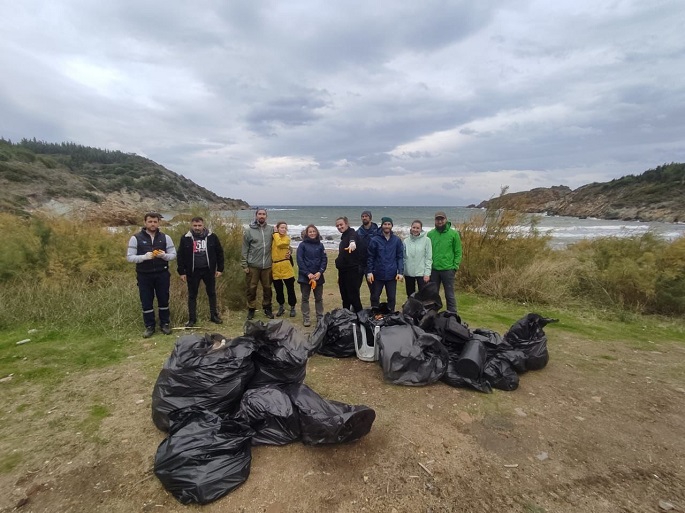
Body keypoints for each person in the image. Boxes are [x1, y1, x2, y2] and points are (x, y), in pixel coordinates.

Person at [126, 212, 177, 338]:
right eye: (150, 221)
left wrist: (164, 255)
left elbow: (173, 254)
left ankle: (165, 324)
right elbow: (129, 257)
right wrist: (144, 257)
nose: (152, 224)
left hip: (162, 274)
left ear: (158, 223)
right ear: (145, 223)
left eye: (155, 222)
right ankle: (149, 326)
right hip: (144, 275)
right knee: (146, 301)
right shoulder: (136, 238)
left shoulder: (165, 237)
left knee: (163, 299)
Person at [176, 217, 224, 327]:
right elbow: (180, 256)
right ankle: (192, 319)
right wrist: (181, 272)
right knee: (192, 295)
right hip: (193, 271)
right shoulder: (186, 238)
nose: (197, 228)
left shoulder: (212, 237)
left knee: (211, 293)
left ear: (203, 225)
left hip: (208, 270)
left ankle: (214, 316)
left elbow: (219, 252)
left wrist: (220, 269)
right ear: (191, 226)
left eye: (199, 225)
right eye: (195, 226)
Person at [427, 211, 463, 314]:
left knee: (449, 294)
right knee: (433, 294)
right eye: (437, 219)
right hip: (434, 269)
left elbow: (458, 251)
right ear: (435, 221)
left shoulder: (453, 234)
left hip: (448, 269)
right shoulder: (430, 234)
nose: (440, 221)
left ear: (446, 220)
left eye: (442, 219)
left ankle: (452, 315)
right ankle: (432, 314)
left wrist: (455, 266)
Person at [241, 208, 274, 320]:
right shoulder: (249, 230)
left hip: (267, 266)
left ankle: (267, 308)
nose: (261, 216)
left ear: (266, 216)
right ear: (256, 216)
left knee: (268, 288)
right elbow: (245, 248)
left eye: (263, 214)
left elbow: (279, 242)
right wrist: (244, 265)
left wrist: (288, 248)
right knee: (251, 288)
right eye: (259, 214)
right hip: (253, 265)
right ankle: (251, 309)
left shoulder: (271, 229)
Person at [366, 217, 404, 312]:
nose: (387, 226)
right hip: (377, 274)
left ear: (391, 226)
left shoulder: (396, 240)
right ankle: (375, 315)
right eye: (385, 224)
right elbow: (370, 257)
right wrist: (369, 272)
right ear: (382, 225)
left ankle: (391, 316)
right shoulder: (375, 240)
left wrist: (400, 272)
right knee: (374, 297)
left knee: (391, 298)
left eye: (389, 224)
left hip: (391, 275)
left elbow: (400, 257)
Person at [296, 224, 327, 327]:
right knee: (305, 298)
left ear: (317, 232)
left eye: (314, 231)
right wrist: (308, 273)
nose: (312, 233)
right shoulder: (302, 245)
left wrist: (320, 272)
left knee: (319, 298)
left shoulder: (320, 245)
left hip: (318, 276)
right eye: (310, 231)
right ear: (307, 233)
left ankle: (320, 317)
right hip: (305, 277)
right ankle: (306, 318)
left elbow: (324, 259)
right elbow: (300, 261)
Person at [335, 216, 363, 312]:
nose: (339, 227)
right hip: (343, 272)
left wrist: (352, 243)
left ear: (347, 224)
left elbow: (353, 238)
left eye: (341, 224)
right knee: (345, 298)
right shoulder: (344, 237)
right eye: (337, 226)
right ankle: (346, 319)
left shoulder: (352, 234)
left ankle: (361, 320)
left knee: (354, 298)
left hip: (352, 272)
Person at [272, 221, 297, 318]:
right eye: (281, 227)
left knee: (290, 288)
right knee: (278, 289)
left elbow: (279, 244)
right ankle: (281, 306)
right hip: (275, 266)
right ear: (277, 228)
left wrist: (275, 233)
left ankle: (292, 306)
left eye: (285, 228)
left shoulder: (286, 238)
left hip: (285, 265)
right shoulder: (273, 238)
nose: (283, 229)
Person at [403, 219, 433, 297]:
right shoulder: (406, 241)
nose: (415, 230)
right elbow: (403, 257)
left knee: (423, 295)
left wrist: (427, 273)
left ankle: (423, 309)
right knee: (410, 295)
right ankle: (411, 309)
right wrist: (401, 271)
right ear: (411, 228)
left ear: (421, 229)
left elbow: (428, 258)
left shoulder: (427, 240)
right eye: (414, 227)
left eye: (417, 228)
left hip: (422, 273)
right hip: (408, 273)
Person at [356, 210, 378, 294]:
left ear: (370, 218)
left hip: (372, 264)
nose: (364, 218)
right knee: (356, 287)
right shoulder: (358, 232)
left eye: (366, 216)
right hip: (360, 263)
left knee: (373, 289)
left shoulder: (377, 231)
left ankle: (374, 306)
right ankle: (355, 306)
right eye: (362, 216)